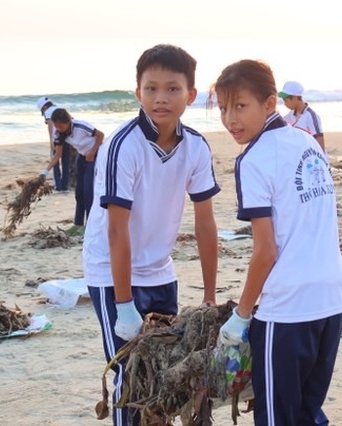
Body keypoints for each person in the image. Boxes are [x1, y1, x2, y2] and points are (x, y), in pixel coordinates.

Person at [82, 43, 220, 426]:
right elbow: (116, 229)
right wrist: (124, 306)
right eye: (152, 88)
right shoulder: (122, 146)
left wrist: (209, 296)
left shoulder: (195, 146)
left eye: (173, 89)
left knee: (166, 375)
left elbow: (206, 223)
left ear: (191, 95)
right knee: (133, 379)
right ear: (138, 91)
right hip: (111, 273)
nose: (161, 98)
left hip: (161, 271)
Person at [212, 59, 342, 426]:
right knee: (308, 413)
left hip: (287, 310)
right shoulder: (306, 142)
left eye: (241, 106)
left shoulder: (253, 159)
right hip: (331, 299)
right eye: (224, 108)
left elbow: (266, 250)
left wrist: (241, 315)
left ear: (270, 103)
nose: (230, 119)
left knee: (276, 418)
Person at [40, 108, 104, 235]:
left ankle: (89, 225)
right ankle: (78, 224)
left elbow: (100, 135)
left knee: (88, 191)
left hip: (97, 156)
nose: (58, 129)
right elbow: (57, 155)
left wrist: (92, 152)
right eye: (56, 126)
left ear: (68, 121)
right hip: (82, 157)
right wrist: (45, 172)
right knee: (79, 192)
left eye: (60, 126)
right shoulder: (59, 134)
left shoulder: (81, 126)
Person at [278, 81, 326, 152]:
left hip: (311, 155)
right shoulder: (290, 115)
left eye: (285, 100)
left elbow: (319, 140)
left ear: (294, 98)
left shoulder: (310, 116)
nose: (285, 104)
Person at [36, 96, 71, 192]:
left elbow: (50, 125)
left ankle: (58, 186)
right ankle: (65, 186)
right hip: (67, 137)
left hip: (57, 138)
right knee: (65, 162)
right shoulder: (59, 109)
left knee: (55, 161)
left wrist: (51, 140)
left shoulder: (48, 112)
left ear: (43, 108)